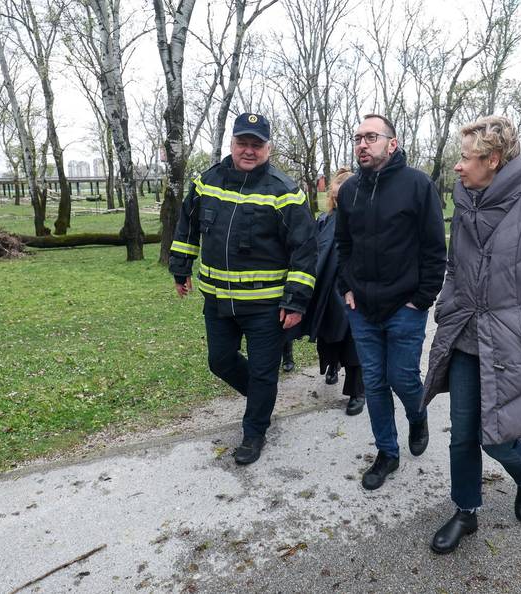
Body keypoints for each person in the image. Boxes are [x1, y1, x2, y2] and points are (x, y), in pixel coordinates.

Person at [422, 115, 521, 554]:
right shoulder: (466, 202)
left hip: (512, 342)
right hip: (467, 340)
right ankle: (465, 511)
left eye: (465, 158)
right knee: (463, 434)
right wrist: (448, 302)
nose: (457, 166)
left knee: (501, 437)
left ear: (492, 160)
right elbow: (455, 266)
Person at [169, 112, 318, 465]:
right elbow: (187, 227)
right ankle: (261, 398)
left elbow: (305, 250)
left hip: (266, 305)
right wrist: (180, 268)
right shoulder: (207, 181)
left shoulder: (286, 191)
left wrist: (295, 302)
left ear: (268, 148)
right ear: (231, 143)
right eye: (242, 143)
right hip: (218, 300)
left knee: (265, 370)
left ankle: (254, 433)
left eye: (256, 145)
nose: (248, 151)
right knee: (220, 361)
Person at [335, 114, 447, 490]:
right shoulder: (350, 190)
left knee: (402, 377)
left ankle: (418, 416)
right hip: (361, 308)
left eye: (371, 137)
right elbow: (343, 244)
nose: (362, 144)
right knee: (376, 382)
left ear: (392, 143)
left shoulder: (418, 185)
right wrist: (345, 287)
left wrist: (422, 298)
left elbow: (435, 248)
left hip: (405, 307)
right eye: (357, 138)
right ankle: (387, 453)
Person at [303, 167, 365, 416]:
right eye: (337, 196)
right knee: (329, 334)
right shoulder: (324, 220)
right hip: (328, 289)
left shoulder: (365, 221)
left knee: (353, 341)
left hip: (356, 290)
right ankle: (333, 364)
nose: (340, 201)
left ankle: (357, 390)